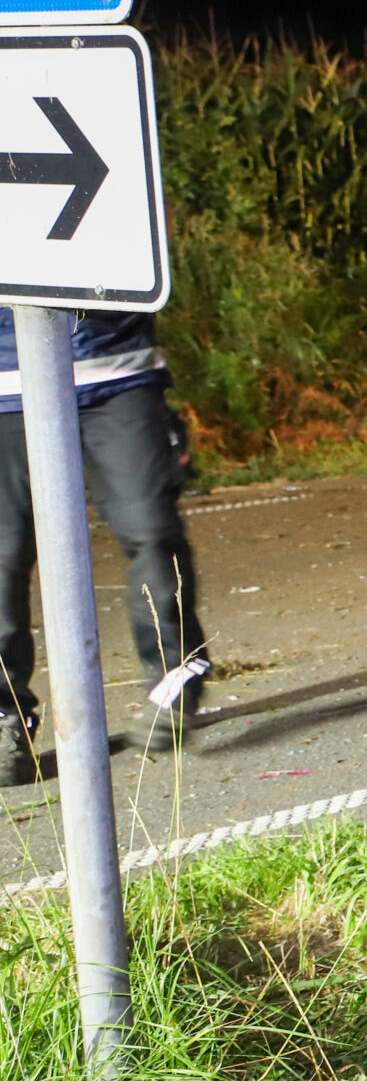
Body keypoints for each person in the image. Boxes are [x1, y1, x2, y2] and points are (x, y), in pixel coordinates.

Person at [0, 306, 207, 784]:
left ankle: (176, 678)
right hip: (6, 391)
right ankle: (6, 718)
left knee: (151, 530)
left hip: (117, 374)